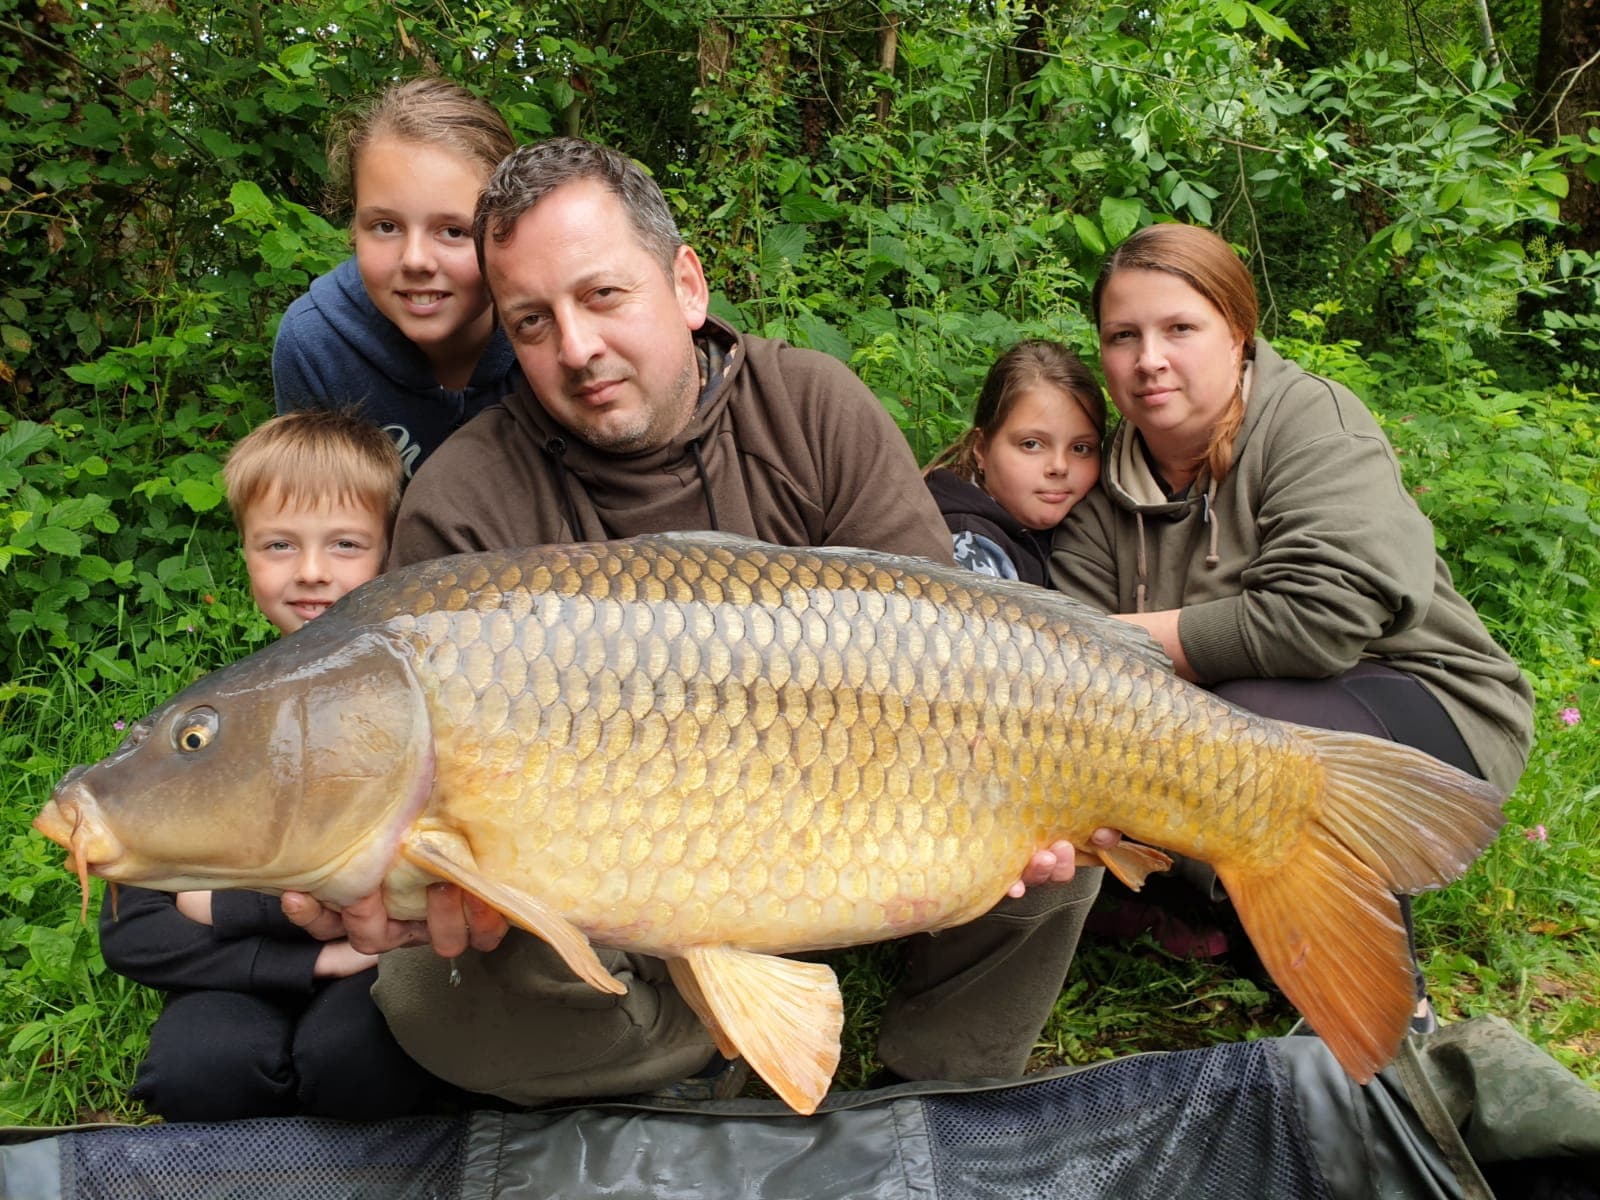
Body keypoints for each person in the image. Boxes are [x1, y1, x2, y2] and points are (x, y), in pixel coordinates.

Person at [281, 137, 1114, 1103]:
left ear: (685, 284)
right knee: (429, 990)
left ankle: (937, 1091)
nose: (577, 348)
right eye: (533, 322)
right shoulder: (465, 505)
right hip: (614, 911)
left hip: (866, 836)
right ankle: (705, 1048)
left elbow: (950, 657)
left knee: (1065, 810)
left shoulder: (812, 409)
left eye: (602, 298)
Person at [1050, 222, 1535, 1026]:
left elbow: (1319, 620)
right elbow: (1062, 672)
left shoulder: (1310, 420)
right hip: (1211, 722)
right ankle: (1214, 913)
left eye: (1180, 328)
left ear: (1237, 332)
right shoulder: (1102, 487)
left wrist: (1118, 647)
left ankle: (1387, 1008)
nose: (1149, 359)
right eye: (1122, 336)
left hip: (1423, 704)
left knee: (1249, 735)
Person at [99, 410, 468, 1120]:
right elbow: (133, 931)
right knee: (197, 1069)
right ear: (242, 551)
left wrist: (213, 905)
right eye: (278, 544)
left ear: (392, 553)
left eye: (345, 544)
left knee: (355, 1062)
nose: (310, 571)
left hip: (384, 969)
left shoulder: (426, 704)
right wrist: (310, 959)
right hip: (238, 980)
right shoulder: (215, 716)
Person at [271, 77, 520, 478]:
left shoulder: (553, 327)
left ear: (504, 229)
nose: (415, 260)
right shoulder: (316, 345)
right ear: (354, 224)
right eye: (386, 226)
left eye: (453, 231)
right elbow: (319, 519)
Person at [924, 339, 1105, 584]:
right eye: (1031, 444)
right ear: (981, 448)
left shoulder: (1084, 526)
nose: (1060, 466)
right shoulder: (967, 548)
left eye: (1081, 448)